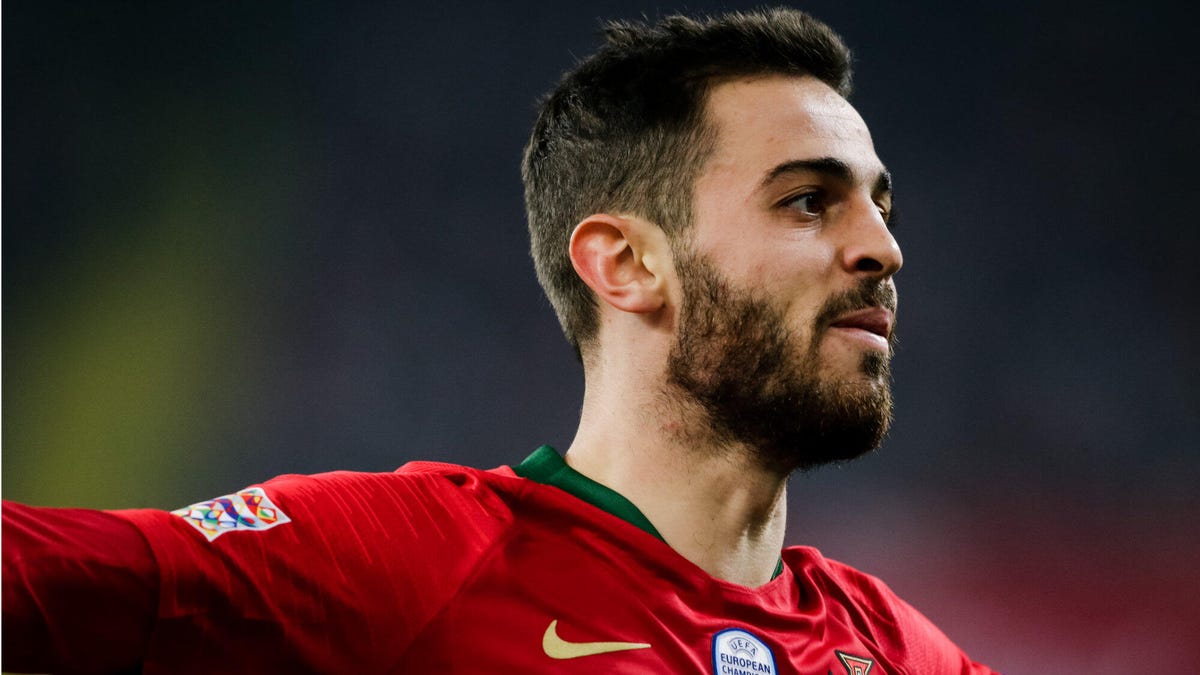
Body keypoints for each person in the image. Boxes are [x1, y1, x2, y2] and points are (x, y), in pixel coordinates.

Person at [2, 8, 998, 674]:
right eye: (807, 201)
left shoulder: (897, 653)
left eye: (880, 206)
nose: (883, 248)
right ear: (627, 265)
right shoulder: (414, 565)